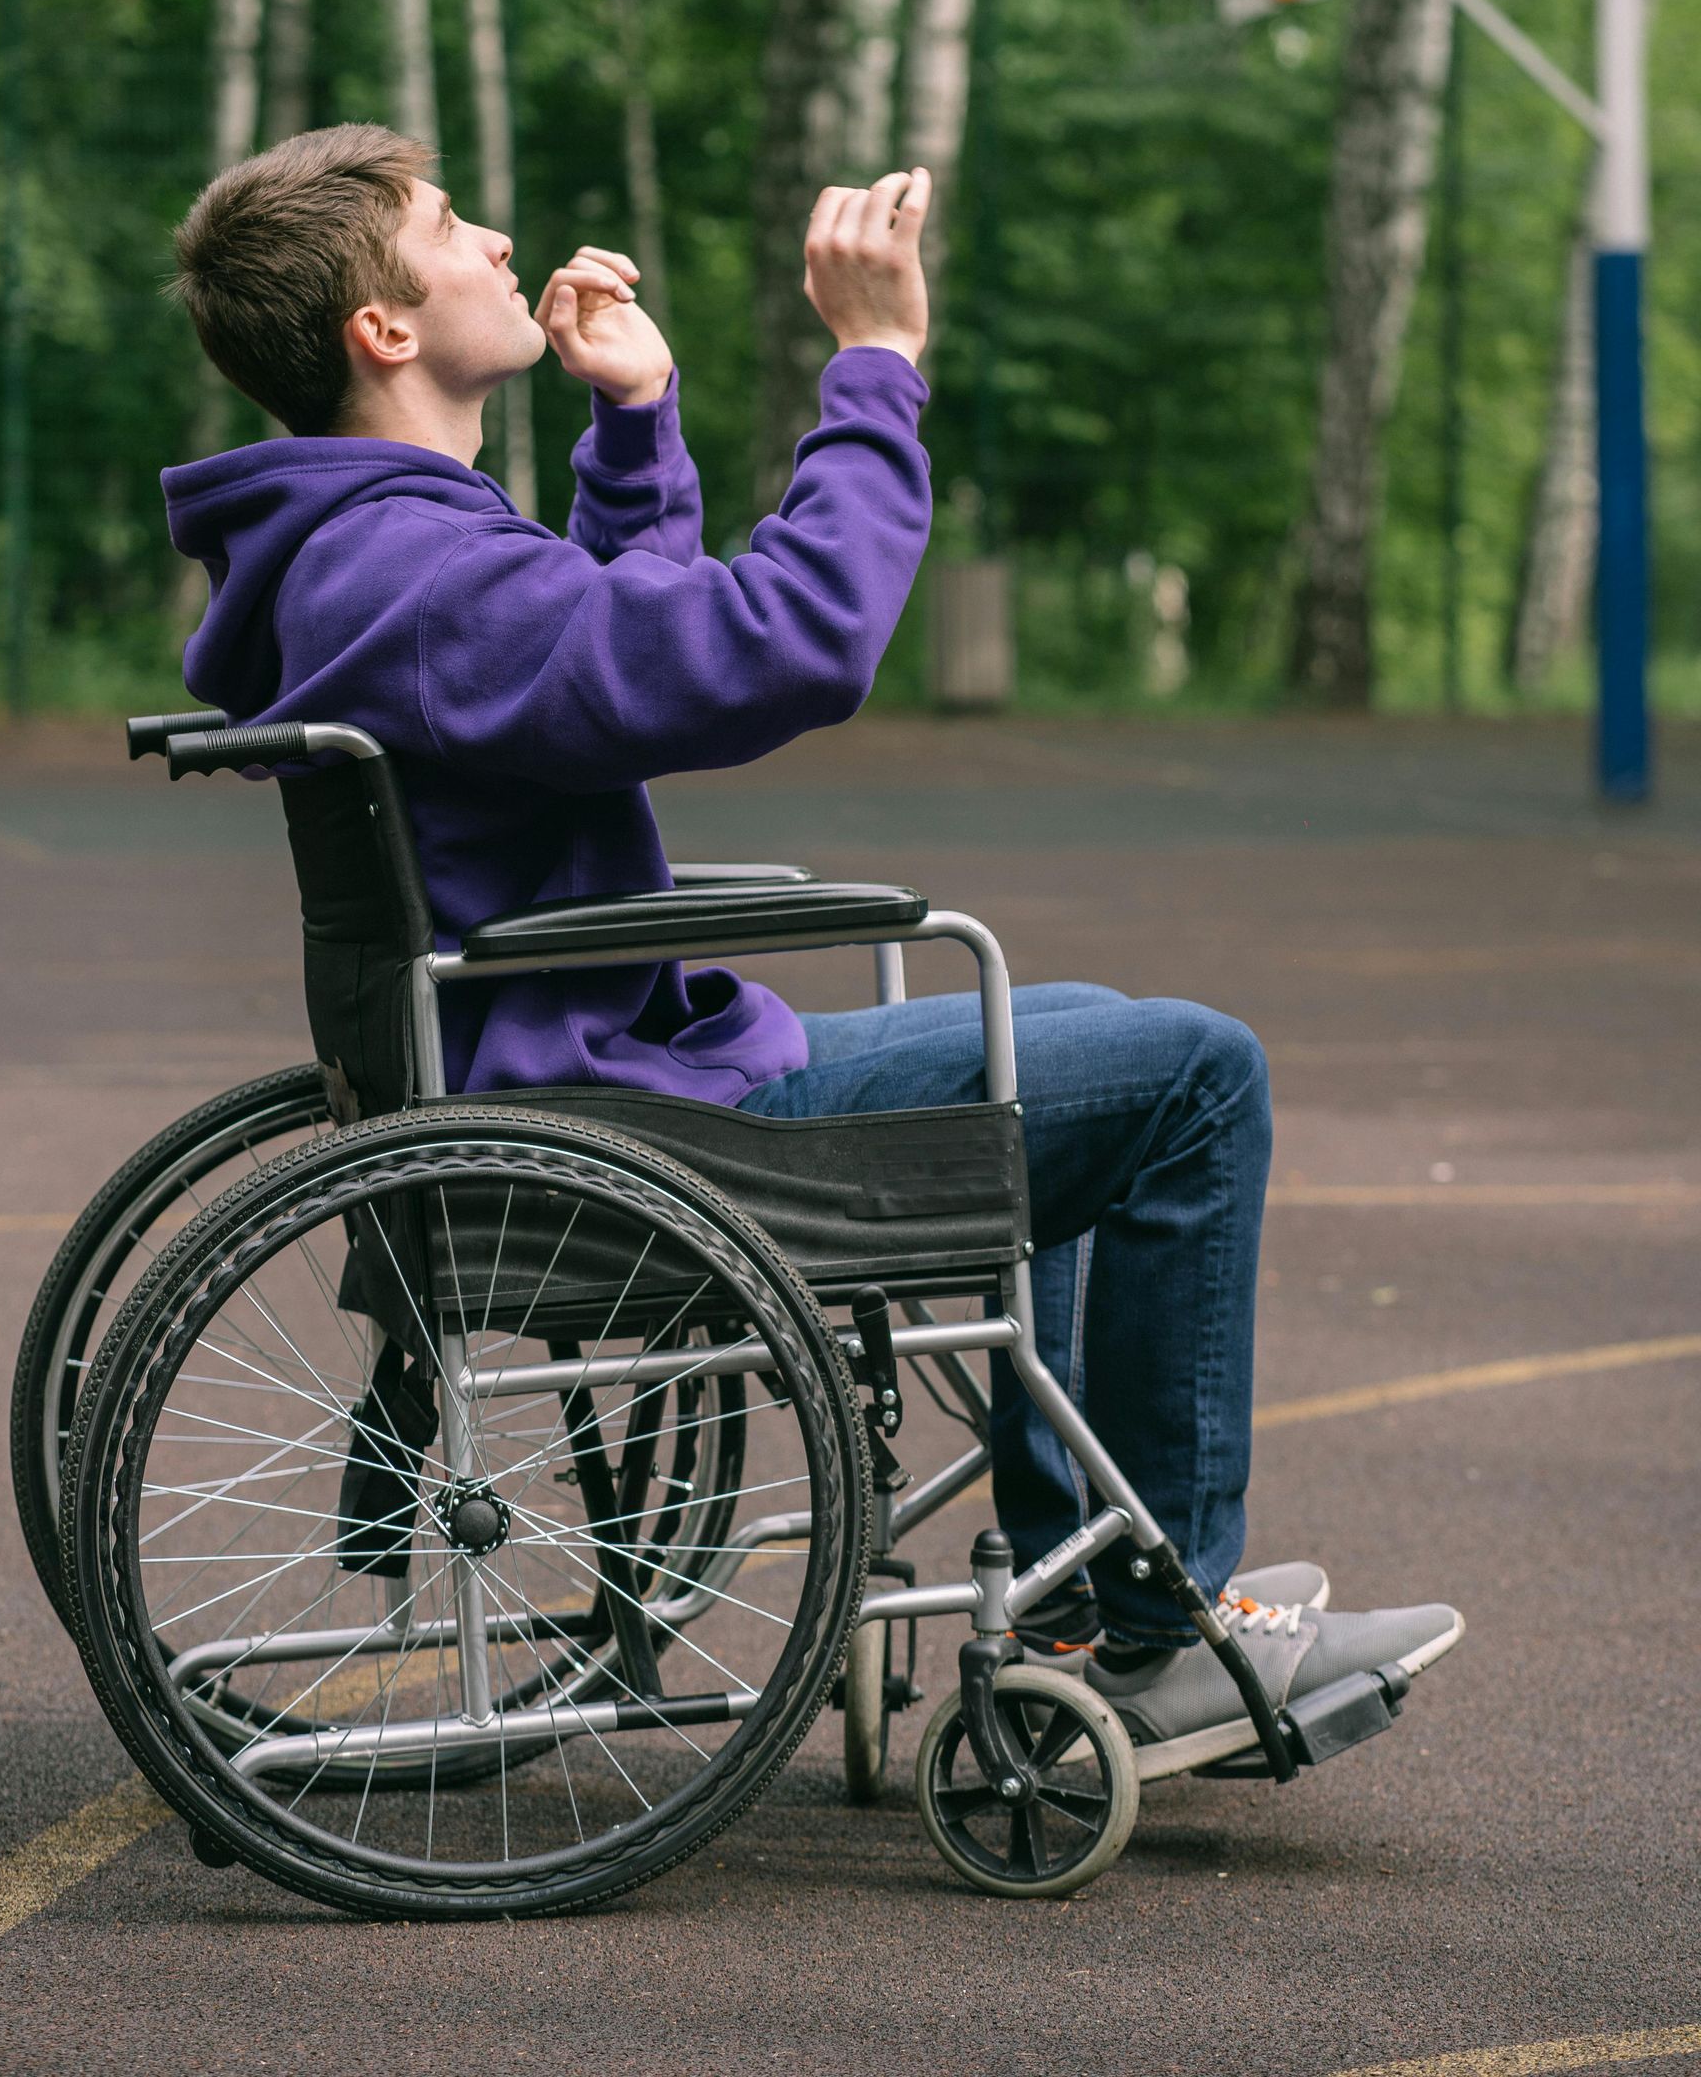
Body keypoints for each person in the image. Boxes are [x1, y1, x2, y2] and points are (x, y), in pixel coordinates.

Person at [165, 121, 1462, 1767]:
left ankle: (1085, 1596)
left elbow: (603, 670)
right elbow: (790, 643)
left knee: (1066, 1043)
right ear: (385, 329)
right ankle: (1147, 1635)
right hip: (628, 1125)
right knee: (1194, 1076)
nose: (499, 239)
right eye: (450, 228)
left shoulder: (377, 549)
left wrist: (633, 421)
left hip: (584, 1081)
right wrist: (876, 365)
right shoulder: (409, 568)